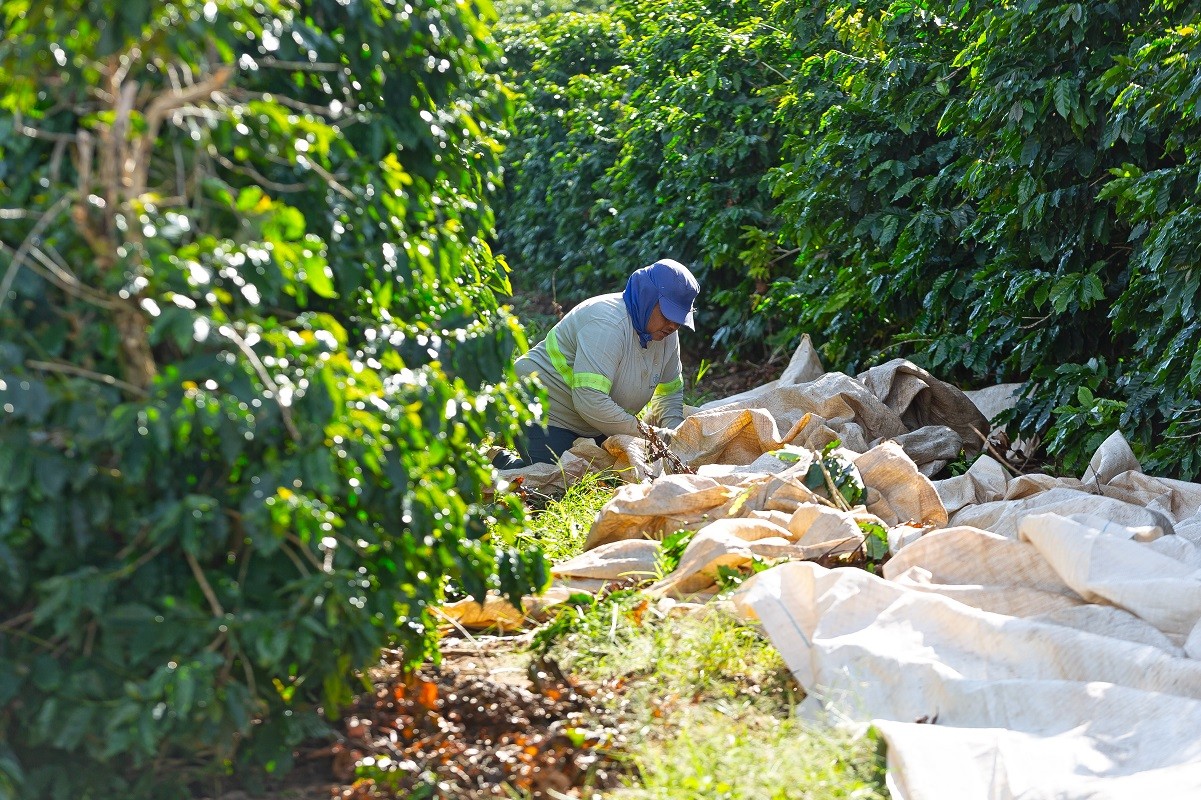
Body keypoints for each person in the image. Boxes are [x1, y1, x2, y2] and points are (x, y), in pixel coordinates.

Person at [497, 258, 700, 468]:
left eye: (679, 319)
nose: (674, 325)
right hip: (542, 411)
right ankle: (496, 461)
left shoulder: (665, 335)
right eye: (668, 314)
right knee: (557, 475)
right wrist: (652, 435)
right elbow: (590, 399)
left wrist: (674, 441)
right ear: (647, 298)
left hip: (593, 423)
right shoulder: (607, 323)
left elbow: (669, 394)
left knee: (616, 469)